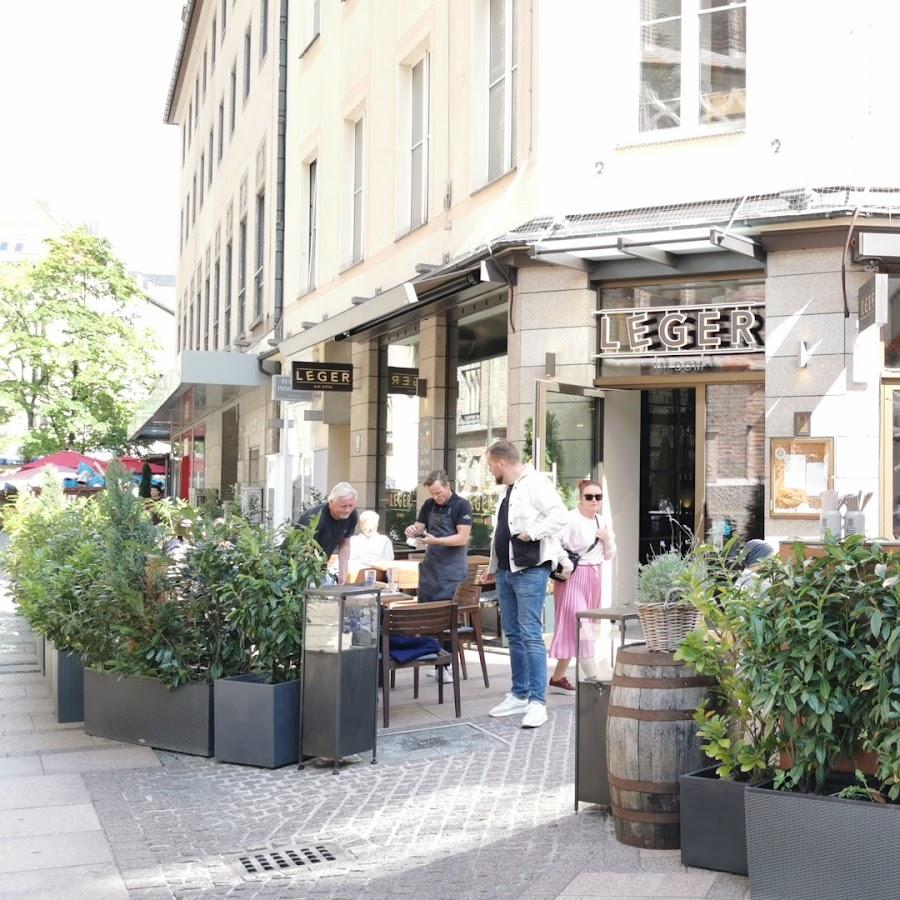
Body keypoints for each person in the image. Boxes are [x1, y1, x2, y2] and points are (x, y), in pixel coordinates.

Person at [485, 440, 568, 729]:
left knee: (530, 633)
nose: (490, 471)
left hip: (530, 568)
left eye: (490, 466)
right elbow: (502, 530)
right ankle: (519, 694)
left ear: (500, 464)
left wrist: (532, 533)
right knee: (514, 633)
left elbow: (560, 514)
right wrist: (493, 567)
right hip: (508, 570)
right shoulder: (509, 489)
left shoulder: (535, 483)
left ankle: (537, 702)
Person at [548, 480, 616, 693]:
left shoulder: (602, 521)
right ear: (580, 498)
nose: (594, 500)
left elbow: (609, 555)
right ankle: (596, 680)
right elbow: (552, 543)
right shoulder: (569, 519)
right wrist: (566, 563)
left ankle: (558, 678)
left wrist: (607, 540)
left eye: (598, 496)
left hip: (595, 577)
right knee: (582, 627)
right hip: (573, 578)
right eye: (589, 496)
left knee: (580, 628)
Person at [404, 471, 473, 604]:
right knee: (426, 611)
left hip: (453, 570)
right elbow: (419, 528)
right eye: (432, 494)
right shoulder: (429, 504)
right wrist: (411, 530)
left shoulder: (462, 505)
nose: (436, 497)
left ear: (447, 486)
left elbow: (462, 538)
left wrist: (436, 541)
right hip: (431, 569)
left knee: (448, 612)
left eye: (439, 492)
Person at [298, 483, 359, 584]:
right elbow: (302, 550)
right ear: (331, 502)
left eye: (351, 505)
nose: (348, 510)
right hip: (298, 567)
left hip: (320, 568)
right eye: (343, 506)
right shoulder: (315, 518)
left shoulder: (352, 515)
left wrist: (343, 574)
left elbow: (345, 544)